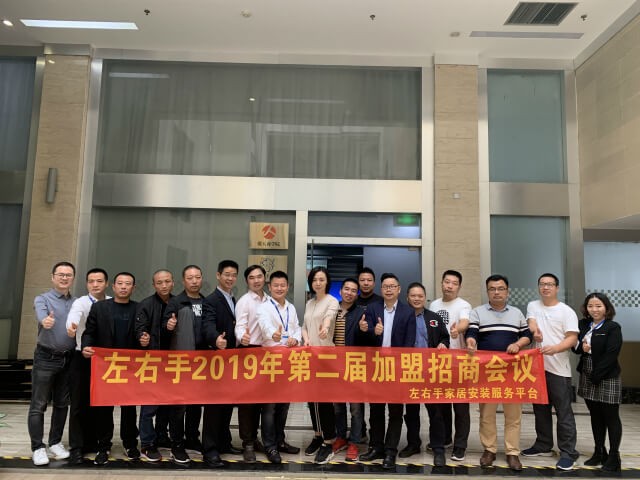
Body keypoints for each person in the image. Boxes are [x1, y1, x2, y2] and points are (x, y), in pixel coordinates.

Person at [466, 274, 531, 472]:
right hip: (488, 371)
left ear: (507, 291)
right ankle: (489, 450)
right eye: (492, 289)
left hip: (512, 371)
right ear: (487, 292)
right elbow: (472, 333)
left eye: (500, 288)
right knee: (487, 413)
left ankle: (512, 452)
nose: (496, 292)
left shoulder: (517, 313)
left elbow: (527, 335)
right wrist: (470, 342)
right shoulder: (477, 312)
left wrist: (518, 344)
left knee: (513, 415)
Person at [358, 273, 416, 469]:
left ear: (399, 289)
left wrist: (401, 366)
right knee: (375, 410)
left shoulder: (408, 312)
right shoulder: (373, 308)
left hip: (397, 368)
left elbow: (409, 342)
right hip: (377, 367)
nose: (389, 289)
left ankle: (391, 451)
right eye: (385, 286)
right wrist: (370, 331)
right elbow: (365, 338)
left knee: (395, 411)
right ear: (381, 289)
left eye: (392, 286)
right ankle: (376, 447)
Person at [81, 272, 140, 466]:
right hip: (106, 366)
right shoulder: (100, 308)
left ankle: (130, 443)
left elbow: (143, 333)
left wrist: (145, 340)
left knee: (129, 408)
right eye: (120, 283)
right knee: (104, 408)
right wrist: (86, 346)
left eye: (128, 284)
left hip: (130, 368)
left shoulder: (139, 308)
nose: (124, 287)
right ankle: (103, 445)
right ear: (113, 287)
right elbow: (89, 332)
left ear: (133, 288)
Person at [523, 273, 580, 470]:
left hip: (558, 370)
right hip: (537, 369)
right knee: (540, 410)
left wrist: (555, 348)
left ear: (557, 288)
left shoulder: (566, 311)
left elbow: (572, 338)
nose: (545, 287)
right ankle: (543, 445)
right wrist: (535, 331)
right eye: (542, 284)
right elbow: (531, 321)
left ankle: (568, 452)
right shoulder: (533, 305)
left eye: (549, 284)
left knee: (563, 412)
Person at [29, 261, 77, 466]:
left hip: (69, 359)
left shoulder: (76, 302)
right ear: (53, 277)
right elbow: (42, 316)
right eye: (61, 274)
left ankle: (55, 442)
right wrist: (45, 321)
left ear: (73, 278)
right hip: (46, 358)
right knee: (38, 405)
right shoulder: (43, 299)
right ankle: (38, 447)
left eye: (68, 275)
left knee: (62, 404)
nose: (64, 278)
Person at [399, 282, 449, 467]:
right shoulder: (401, 317)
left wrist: (444, 344)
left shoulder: (434, 318)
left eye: (420, 296)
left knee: (435, 412)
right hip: (409, 370)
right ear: (407, 297)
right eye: (413, 295)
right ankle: (413, 444)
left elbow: (444, 337)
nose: (417, 299)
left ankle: (438, 448)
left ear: (425, 297)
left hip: (431, 371)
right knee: (411, 411)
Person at [162, 265, 207, 464]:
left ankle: (192, 438)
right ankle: (177, 444)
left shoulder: (206, 301)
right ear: (183, 281)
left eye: (197, 277)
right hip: (181, 362)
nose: (194, 281)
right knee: (179, 405)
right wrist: (168, 326)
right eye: (190, 278)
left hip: (202, 362)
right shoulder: (175, 302)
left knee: (196, 404)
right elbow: (164, 328)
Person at [573, 292, 623, 472]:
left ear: (606, 308)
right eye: (590, 306)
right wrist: (582, 347)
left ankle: (614, 456)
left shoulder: (612, 327)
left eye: (598, 306)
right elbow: (576, 348)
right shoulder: (583, 324)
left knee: (611, 417)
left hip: (607, 375)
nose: (594, 309)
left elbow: (612, 354)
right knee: (595, 415)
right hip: (587, 372)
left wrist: (597, 375)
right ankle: (599, 451)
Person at [256, 270, 302, 464]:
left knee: (284, 405)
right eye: (276, 285)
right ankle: (270, 446)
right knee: (270, 406)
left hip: (288, 361)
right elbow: (264, 326)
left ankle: (280, 440)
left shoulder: (291, 307)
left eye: (283, 285)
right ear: (270, 287)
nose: (279, 288)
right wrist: (273, 335)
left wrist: (295, 339)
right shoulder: (264, 307)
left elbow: (297, 328)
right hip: (271, 361)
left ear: (288, 287)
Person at [65, 267, 110, 464]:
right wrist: (71, 328)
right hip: (81, 357)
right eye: (91, 281)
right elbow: (73, 318)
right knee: (78, 404)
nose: (95, 285)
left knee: (101, 404)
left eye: (99, 281)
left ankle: (95, 442)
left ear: (106, 284)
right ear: (86, 284)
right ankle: (76, 447)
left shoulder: (111, 302)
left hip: (105, 360)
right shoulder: (81, 302)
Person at [201, 260, 243, 468]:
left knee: (227, 403)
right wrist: (215, 339)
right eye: (227, 274)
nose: (230, 278)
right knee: (214, 406)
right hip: (217, 360)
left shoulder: (234, 298)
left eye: (234, 275)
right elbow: (207, 324)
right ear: (218, 275)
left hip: (232, 360)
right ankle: (209, 449)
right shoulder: (211, 300)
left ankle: (224, 442)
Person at [429, 269, 472, 462]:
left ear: (459, 287)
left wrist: (457, 330)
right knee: (442, 405)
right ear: (441, 283)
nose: (449, 286)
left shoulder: (464, 305)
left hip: (459, 363)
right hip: (439, 362)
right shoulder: (434, 304)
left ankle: (460, 446)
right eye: (447, 282)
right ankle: (445, 438)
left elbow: (464, 322)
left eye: (454, 283)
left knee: (461, 407)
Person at [134, 269, 175, 462]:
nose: (164, 285)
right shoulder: (146, 304)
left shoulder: (178, 303)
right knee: (149, 405)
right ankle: (147, 443)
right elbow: (139, 329)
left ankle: (161, 436)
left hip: (175, 363)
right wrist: (142, 338)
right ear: (154, 285)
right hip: (152, 362)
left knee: (167, 404)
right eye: (159, 282)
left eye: (167, 281)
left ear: (173, 283)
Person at [302, 266, 339, 464]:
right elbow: (304, 326)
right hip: (309, 356)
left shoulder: (332, 301)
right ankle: (318, 434)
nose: (318, 283)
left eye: (321, 279)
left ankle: (329, 441)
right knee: (312, 399)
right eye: (315, 279)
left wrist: (325, 328)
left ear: (327, 282)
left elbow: (329, 318)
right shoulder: (309, 303)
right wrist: (306, 338)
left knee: (324, 399)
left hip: (326, 357)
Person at [332, 278, 371, 461]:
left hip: (354, 365)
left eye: (353, 290)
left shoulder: (362, 313)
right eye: (346, 289)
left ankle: (355, 441)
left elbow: (368, 341)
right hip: (333, 365)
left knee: (355, 408)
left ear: (357, 294)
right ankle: (341, 437)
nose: (349, 293)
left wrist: (364, 330)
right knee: (337, 406)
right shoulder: (332, 310)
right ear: (340, 291)